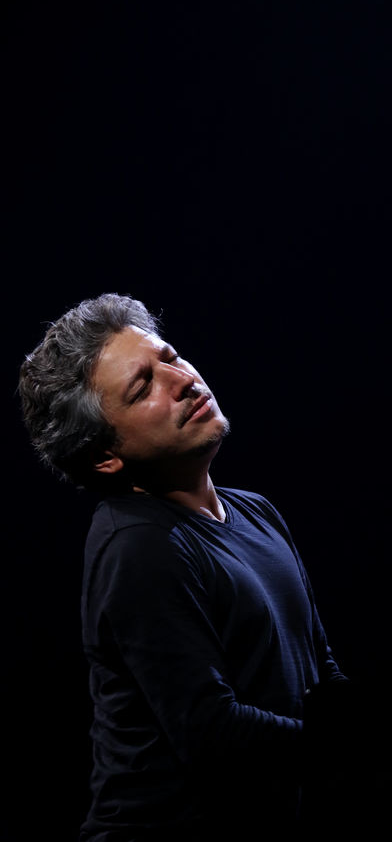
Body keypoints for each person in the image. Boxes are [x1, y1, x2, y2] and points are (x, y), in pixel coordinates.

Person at [18, 293, 350, 840]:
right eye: (142, 387)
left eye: (169, 357)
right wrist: (365, 749)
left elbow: (320, 673)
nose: (183, 381)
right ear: (105, 456)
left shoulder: (257, 511)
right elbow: (212, 731)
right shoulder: (138, 545)